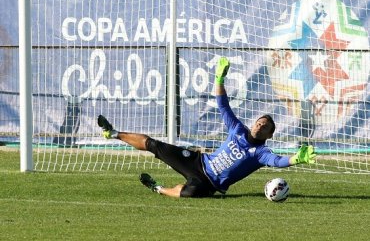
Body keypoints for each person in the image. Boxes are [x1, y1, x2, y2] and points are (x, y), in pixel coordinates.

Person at [97, 57, 316, 198]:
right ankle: (113, 133)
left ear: (270, 134)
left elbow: (277, 162)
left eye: (265, 126)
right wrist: (219, 78)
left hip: (209, 184)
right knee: (154, 144)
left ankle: (158, 188)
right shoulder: (237, 129)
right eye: (259, 121)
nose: (260, 125)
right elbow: (222, 104)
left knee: (189, 193)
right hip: (197, 161)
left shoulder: (260, 153)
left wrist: (297, 159)